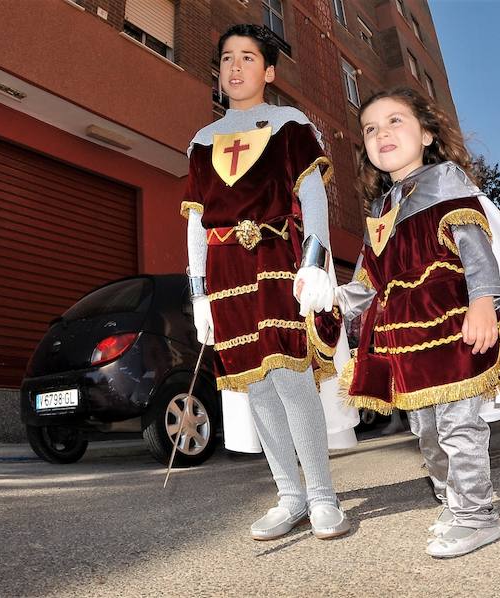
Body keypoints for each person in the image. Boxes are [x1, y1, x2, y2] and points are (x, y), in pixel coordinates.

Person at [326, 88, 500, 558]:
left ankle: (478, 516)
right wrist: (334, 296)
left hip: (452, 328)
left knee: (459, 427)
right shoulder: (379, 211)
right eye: (370, 128)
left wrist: (484, 302)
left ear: (425, 134)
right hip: (407, 342)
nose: (382, 133)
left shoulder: (445, 180)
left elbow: (475, 248)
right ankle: (452, 501)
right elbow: (369, 280)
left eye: (395, 121)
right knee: (425, 430)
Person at [181, 24, 356, 541]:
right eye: (228, 58)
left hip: (279, 262)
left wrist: (314, 262)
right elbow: (196, 222)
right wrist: (197, 295)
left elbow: (315, 199)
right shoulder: (201, 141)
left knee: (290, 377)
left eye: (249, 58)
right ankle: (290, 496)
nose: (237, 68)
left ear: (269, 71)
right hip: (225, 274)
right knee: (255, 386)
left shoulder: (289, 123)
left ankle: (323, 497)